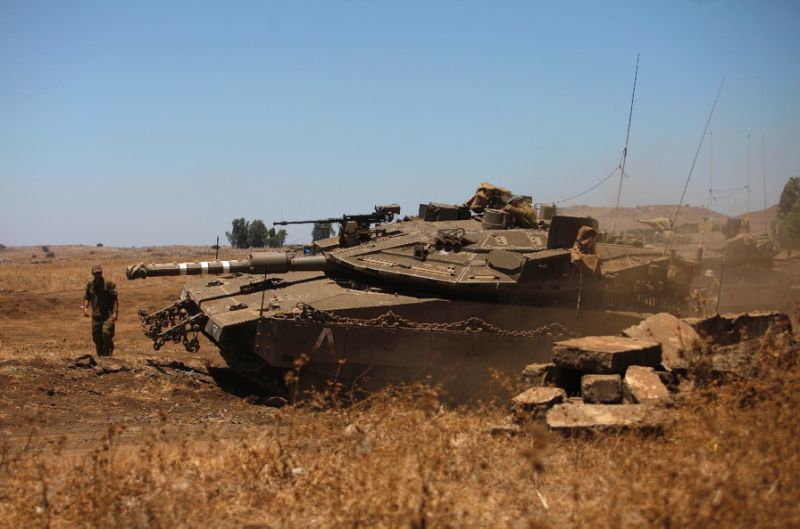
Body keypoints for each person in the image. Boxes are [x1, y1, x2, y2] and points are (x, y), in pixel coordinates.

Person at [83, 264, 118, 356]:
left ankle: (108, 352)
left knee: (106, 333)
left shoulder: (109, 284)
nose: (97, 275)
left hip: (108, 314)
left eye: (99, 273)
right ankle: (100, 356)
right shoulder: (90, 285)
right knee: (96, 337)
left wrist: (115, 313)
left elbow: (114, 298)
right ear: (93, 274)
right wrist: (85, 308)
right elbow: (87, 297)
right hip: (96, 315)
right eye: (95, 273)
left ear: (101, 273)